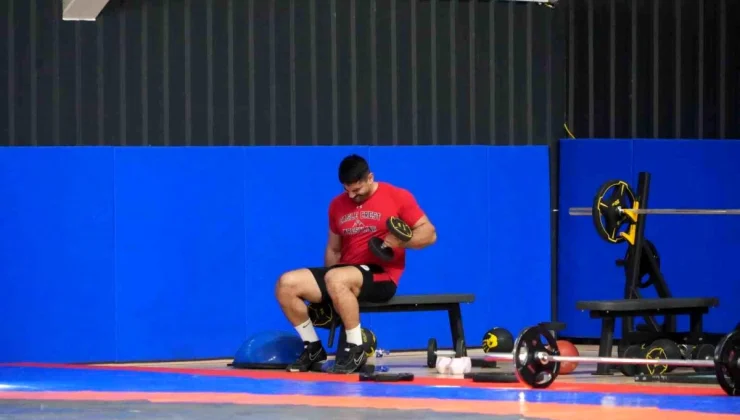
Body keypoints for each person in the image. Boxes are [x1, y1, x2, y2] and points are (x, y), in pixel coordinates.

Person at [274, 154, 437, 374]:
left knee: (337, 278)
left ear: (370, 178)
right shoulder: (337, 205)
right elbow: (334, 249)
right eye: (347, 190)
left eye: (357, 190)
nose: (352, 195)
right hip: (342, 274)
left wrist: (401, 241)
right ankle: (313, 347)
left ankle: (356, 347)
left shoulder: (397, 196)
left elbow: (429, 234)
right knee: (286, 283)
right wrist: (327, 293)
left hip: (382, 275)